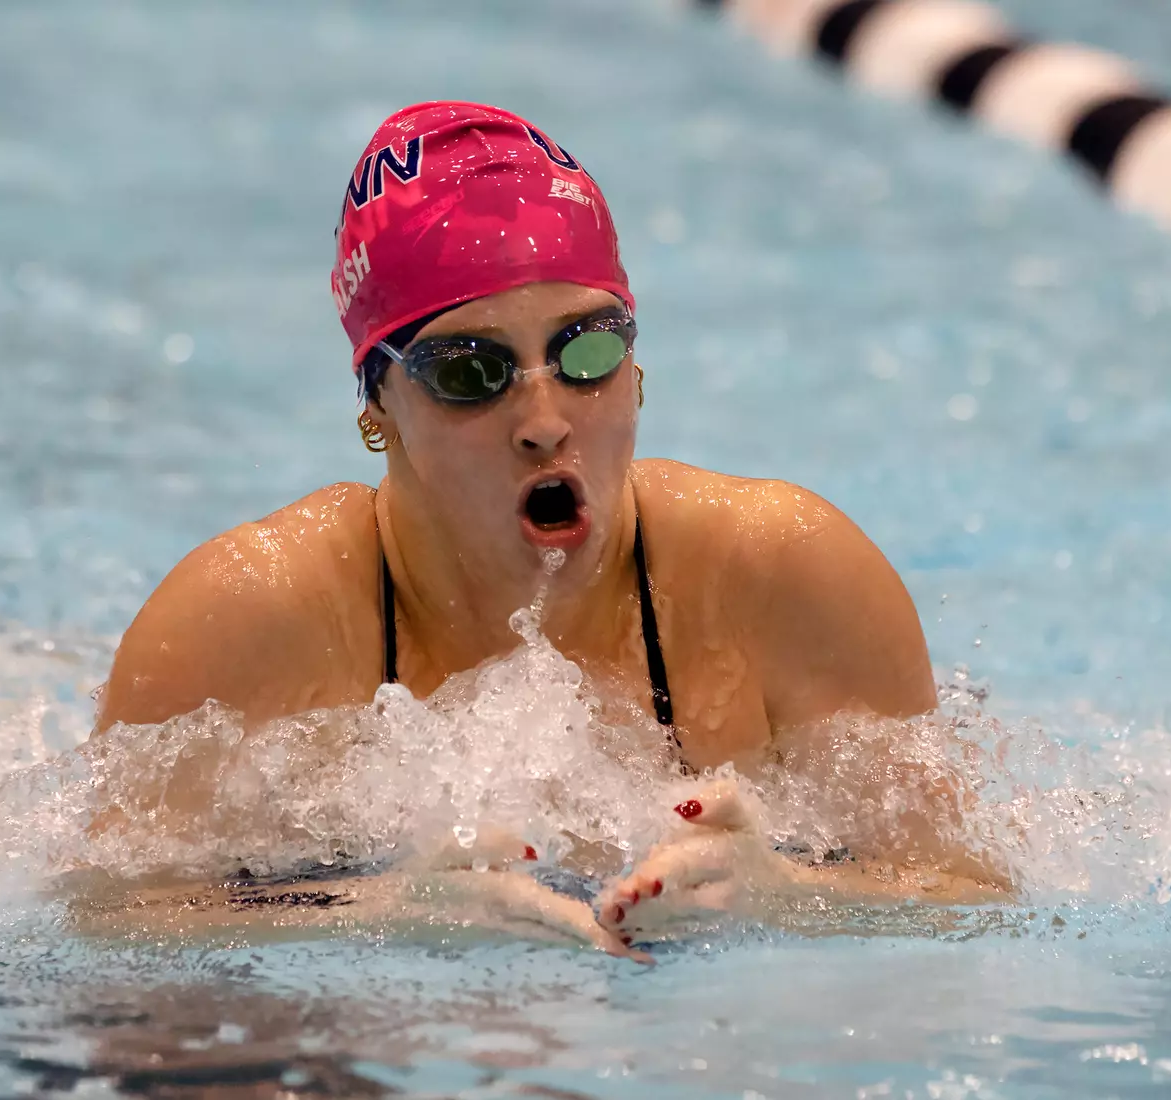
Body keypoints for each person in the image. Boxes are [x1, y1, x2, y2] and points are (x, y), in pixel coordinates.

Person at [90, 101, 1008, 955]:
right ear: (379, 407)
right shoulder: (252, 616)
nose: (544, 417)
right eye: (470, 371)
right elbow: (102, 923)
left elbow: (976, 893)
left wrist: (786, 891)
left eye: (588, 351)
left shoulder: (782, 570)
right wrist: (385, 909)